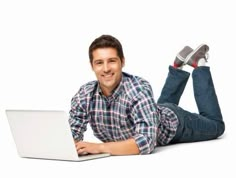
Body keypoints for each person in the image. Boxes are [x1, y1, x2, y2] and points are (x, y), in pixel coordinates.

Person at [69, 34, 225, 155]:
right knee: (158, 110)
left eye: (112, 61)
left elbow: (146, 142)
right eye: (99, 62)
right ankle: (178, 66)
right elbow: (72, 132)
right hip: (154, 113)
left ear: (122, 62)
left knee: (217, 126)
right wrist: (70, 145)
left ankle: (199, 65)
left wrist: (99, 148)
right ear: (92, 66)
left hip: (176, 125)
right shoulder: (85, 94)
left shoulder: (138, 90)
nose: (106, 68)